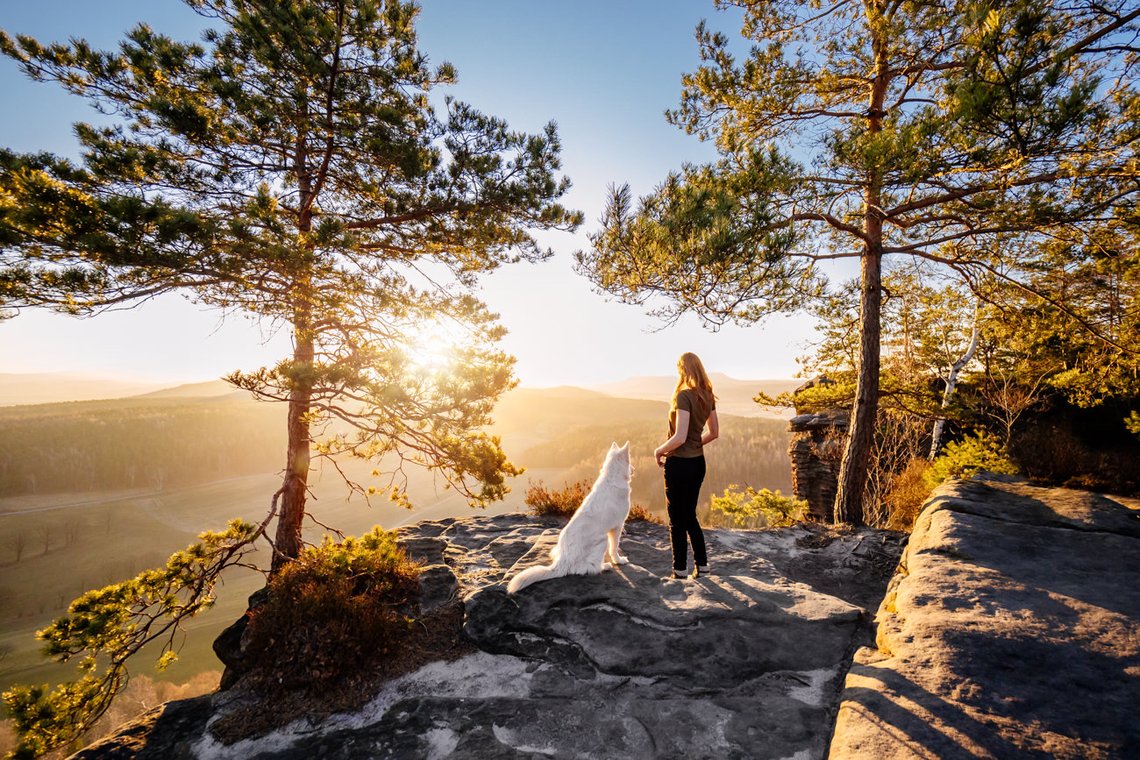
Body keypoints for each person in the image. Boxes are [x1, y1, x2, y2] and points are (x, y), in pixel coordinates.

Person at [654, 352, 718, 579]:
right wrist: (694, 443)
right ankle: (703, 566)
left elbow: (679, 437)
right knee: (689, 514)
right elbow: (714, 433)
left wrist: (659, 450)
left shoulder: (683, 396)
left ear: (683, 370)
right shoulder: (708, 395)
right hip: (698, 463)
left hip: (679, 464)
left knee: (676, 519)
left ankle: (679, 570)